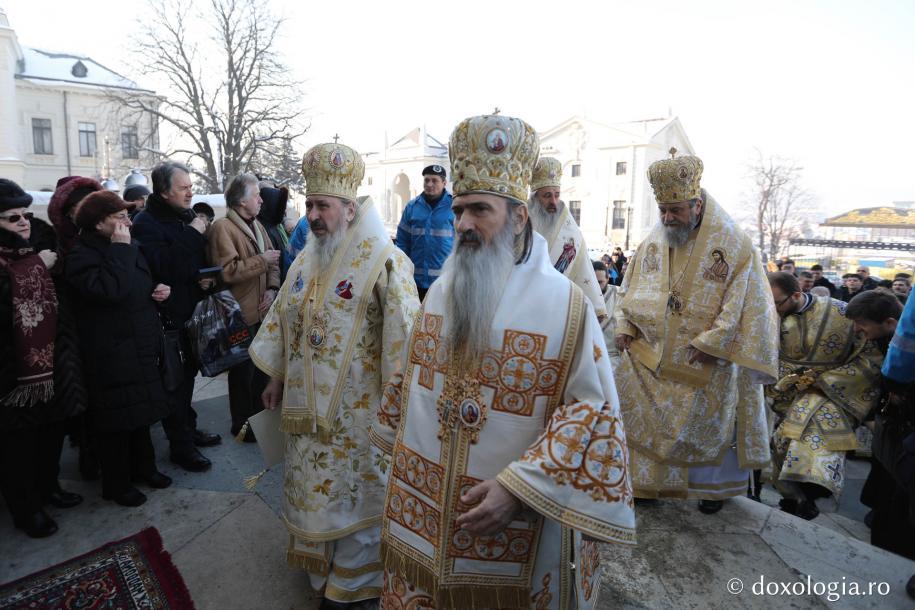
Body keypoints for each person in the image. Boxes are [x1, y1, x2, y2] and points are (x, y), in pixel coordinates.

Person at [374, 113, 635, 610]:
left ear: (518, 217)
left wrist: (519, 488)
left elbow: (592, 411)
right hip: (431, 515)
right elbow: (413, 384)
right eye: (458, 211)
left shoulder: (565, 304)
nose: (463, 224)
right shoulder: (440, 293)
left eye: (479, 210)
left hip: (516, 518)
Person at [251, 141, 420, 607]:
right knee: (312, 492)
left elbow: (404, 341)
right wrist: (277, 378)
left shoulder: (386, 262)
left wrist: (396, 410)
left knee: (355, 498)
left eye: (322, 206)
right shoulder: (307, 259)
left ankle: (355, 583)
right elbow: (287, 321)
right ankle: (320, 572)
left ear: (349, 209)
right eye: (309, 205)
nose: (313, 215)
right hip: (304, 414)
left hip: (359, 418)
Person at [613, 148, 778, 514]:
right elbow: (629, 286)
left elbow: (744, 302)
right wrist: (625, 324)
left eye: (676, 210)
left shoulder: (735, 246)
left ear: (697, 205)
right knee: (635, 415)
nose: (668, 218)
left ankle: (710, 491)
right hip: (650, 354)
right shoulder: (654, 240)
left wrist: (715, 342)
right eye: (663, 210)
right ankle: (645, 486)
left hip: (702, 357)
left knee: (704, 426)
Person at [66, 191, 173, 507]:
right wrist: (119, 250)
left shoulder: (128, 247)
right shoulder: (81, 255)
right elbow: (110, 290)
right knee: (115, 422)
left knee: (140, 413)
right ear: (99, 224)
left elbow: (133, 285)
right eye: (120, 217)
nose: (129, 221)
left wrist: (158, 289)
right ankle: (117, 483)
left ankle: (145, 468)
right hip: (110, 352)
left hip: (138, 344)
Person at [0, 179, 86, 538]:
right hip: (12, 369)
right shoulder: (29, 256)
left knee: (51, 432)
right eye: (10, 218)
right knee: (17, 444)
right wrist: (35, 265)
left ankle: (49, 487)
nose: (22, 222)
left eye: (25, 214)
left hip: (54, 360)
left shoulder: (44, 241)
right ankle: (26, 508)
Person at [766, 272, 884, 520]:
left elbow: (870, 356)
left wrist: (825, 382)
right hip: (784, 390)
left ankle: (810, 495)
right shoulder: (768, 316)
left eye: (776, 303)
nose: (772, 309)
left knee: (813, 431)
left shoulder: (841, 312)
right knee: (781, 441)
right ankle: (792, 498)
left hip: (832, 392)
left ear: (796, 295)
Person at [132, 161, 221, 472]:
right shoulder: (146, 223)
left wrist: (206, 277)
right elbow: (164, 267)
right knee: (175, 384)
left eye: (190, 186)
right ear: (164, 192)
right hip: (168, 321)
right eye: (183, 188)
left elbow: (188, 265)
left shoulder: (182, 216)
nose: (190, 192)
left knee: (188, 381)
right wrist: (195, 233)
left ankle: (189, 430)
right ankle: (181, 447)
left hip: (191, 313)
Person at [208, 173, 280, 441]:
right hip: (239, 314)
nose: (261, 199)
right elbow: (227, 272)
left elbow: (274, 260)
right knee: (242, 376)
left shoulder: (257, 225)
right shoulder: (222, 228)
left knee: (260, 372)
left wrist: (272, 289)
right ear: (240, 201)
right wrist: (262, 261)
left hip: (261, 311)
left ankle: (259, 421)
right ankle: (241, 425)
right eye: (255, 195)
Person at [527, 157, 607, 320]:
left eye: (557, 195)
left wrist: (595, 307)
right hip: (526, 303)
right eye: (547, 196)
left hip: (560, 308)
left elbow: (582, 265)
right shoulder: (521, 222)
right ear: (534, 198)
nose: (554, 202)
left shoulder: (569, 227)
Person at [394, 164, 454, 301]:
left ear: (444, 183)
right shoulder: (412, 207)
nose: (429, 184)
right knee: (416, 320)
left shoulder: (454, 207)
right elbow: (402, 242)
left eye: (434, 180)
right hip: (415, 282)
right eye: (426, 180)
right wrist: (402, 271)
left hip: (444, 281)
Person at [257, 185, 294, 281]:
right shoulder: (264, 228)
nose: (284, 209)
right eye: (280, 206)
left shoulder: (275, 225)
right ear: (271, 205)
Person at [594, 260, 621, 365]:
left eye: (600, 282)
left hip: (613, 354)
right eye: (593, 282)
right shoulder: (581, 296)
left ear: (607, 279)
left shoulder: (618, 293)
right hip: (589, 353)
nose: (596, 286)